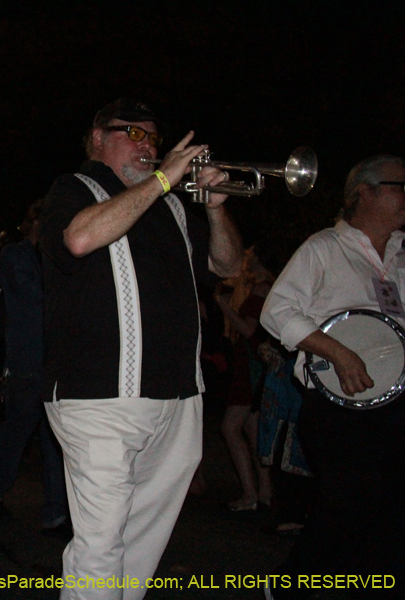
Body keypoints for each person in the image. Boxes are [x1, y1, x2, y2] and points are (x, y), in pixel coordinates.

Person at [39, 98, 242, 599]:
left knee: (140, 547)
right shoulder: (73, 189)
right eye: (131, 132)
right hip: (98, 400)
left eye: (152, 136)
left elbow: (228, 266)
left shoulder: (171, 204)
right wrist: (165, 178)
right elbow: (81, 238)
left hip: (176, 398)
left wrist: (217, 210)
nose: (147, 144)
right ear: (96, 139)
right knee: (101, 546)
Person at [260, 155, 405, 600]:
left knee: (391, 508)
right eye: (401, 185)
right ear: (366, 192)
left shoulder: (402, 256)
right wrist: (337, 351)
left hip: (396, 404)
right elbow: (276, 311)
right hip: (337, 407)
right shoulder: (323, 248)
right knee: (347, 503)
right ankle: (290, 586)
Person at [0, 199, 70, 538]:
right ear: (33, 222)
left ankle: (56, 515)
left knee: (55, 442)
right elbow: (36, 299)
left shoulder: (54, 257)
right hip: (26, 361)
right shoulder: (16, 255)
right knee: (16, 433)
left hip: (55, 362)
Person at [214, 247, 274, 512]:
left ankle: (251, 493)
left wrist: (223, 306)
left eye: (249, 255)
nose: (246, 259)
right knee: (252, 429)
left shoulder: (262, 288)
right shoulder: (269, 285)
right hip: (255, 363)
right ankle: (264, 492)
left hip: (251, 364)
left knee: (230, 427)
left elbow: (249, 330)